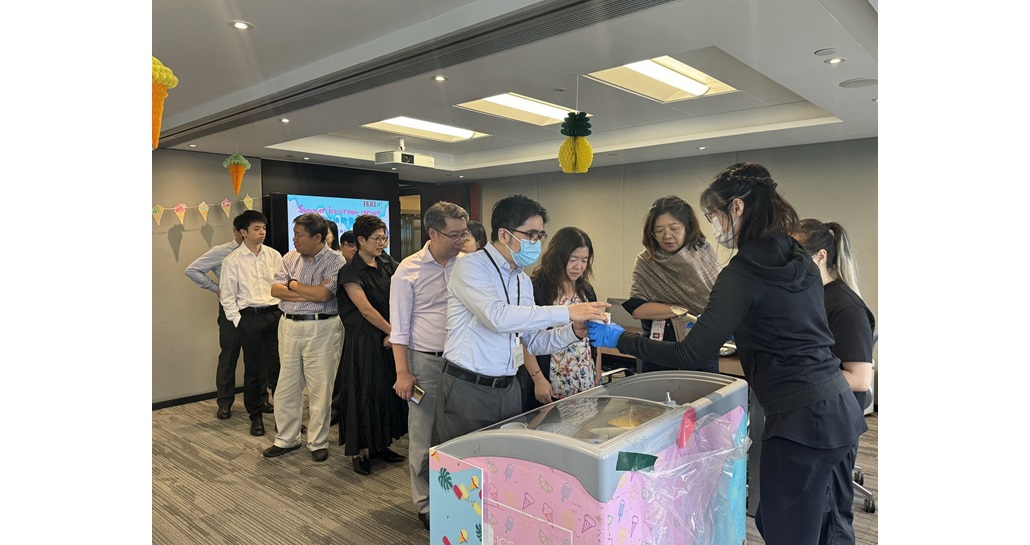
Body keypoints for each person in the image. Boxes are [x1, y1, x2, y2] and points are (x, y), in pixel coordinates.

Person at [586, 163, 867, 545]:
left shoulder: (743, 271)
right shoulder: (797, 257)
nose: (716, 226)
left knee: (788, 530)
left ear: (736, 208)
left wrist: (621, 339)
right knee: (817, 522)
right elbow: (790, 323)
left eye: (715, 215)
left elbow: (690, 353)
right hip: (837, 408)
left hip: (801, 419)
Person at [433, 194, 610, 447]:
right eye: (531, 235)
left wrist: (574, 331)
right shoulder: (471, 267)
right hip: (469, 386)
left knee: (506, 461)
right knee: (466, 464)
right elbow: (497, 317)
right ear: (504, 235)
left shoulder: (522, 280)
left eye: (540, 235)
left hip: (509, 387)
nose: (536, 242)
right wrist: (567, 312)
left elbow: (533, 341)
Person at [389, 201, 469, 530]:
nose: (461, 240)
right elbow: (399, 329)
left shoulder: (467, 266)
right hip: (425, 363)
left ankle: (457, 496)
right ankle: (425, 503)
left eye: (464, 233)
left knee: (459, 433)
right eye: (454, 235)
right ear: (432, 233)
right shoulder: (408, 271)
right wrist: (403, 373)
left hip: (463, 363)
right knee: (424, 436)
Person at [262, 212, 345, 462]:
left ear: (317, 237)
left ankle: (318, 442)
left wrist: (294, 285)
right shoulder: (290, 257)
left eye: (299, 235)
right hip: (288, 325)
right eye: (294, 234)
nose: (294, 239)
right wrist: (308, 292)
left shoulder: (336, 260)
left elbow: (324, 296)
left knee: (320, 388)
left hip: (322, 327)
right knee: (286, 385)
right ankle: (286, 438)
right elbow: (275, 290)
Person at [337, 215, 408, 475]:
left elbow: (402, 293)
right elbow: (365, 310)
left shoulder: (388, 262)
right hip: (364, 342)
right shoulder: (350, 271)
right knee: (363, 395)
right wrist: (393, 332)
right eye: (376, 238)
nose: (382, 243)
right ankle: (360, 452)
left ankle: (381, 445)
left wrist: (394, 333)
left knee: (384, 393)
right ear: (360, 240)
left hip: (388, 340)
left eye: (384, 238)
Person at [623, 196, 722, 373]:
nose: (667, 236)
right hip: (658, 348)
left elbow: (719, 301)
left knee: (701, 390)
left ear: (687, 227)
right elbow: (637, 309)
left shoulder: (703, 252)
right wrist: (681, 309)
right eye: (659, 230)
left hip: (700, 346)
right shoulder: (646, 261)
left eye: (674, 228)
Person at [516, 226, 601, 413]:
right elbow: (525, 340)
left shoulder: (586, 290)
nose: (578, 266)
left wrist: (597, 368)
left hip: (584, 374)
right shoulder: (537, 288)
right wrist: (538, 379)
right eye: (573, 259)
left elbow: (595, 332)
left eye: (584, 260)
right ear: (558, 256)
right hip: (551, 379)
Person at [184, 225, 265, 420]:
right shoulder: (221, 251)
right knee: (229, 355)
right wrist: (216, 288)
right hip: (231, 309)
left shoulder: (262, 252)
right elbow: (192, 270)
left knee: (259, 356)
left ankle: (261, 399)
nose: (257, 233)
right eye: (250, 229)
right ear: (237, 231)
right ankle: (225, 403)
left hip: (255, 311)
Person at [219, 210, 283, 437]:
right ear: (243, 232)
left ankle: (284, 419)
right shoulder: (232, 260)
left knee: (280, 368)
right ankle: (255, 417)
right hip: (250, 317)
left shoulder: (274, 255)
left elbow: (282, 284)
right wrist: (239, 321)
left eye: (264, 228)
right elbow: (227, 296)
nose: (262, 232)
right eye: (256, 229)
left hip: (274, 314)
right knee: (253, 370)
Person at [794, 219, 875, 395]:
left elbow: (860, 379)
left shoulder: (847, 307)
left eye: (794, 257)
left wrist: (795, 377)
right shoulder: (806, 296)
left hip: (833, 407)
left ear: (821, 257)